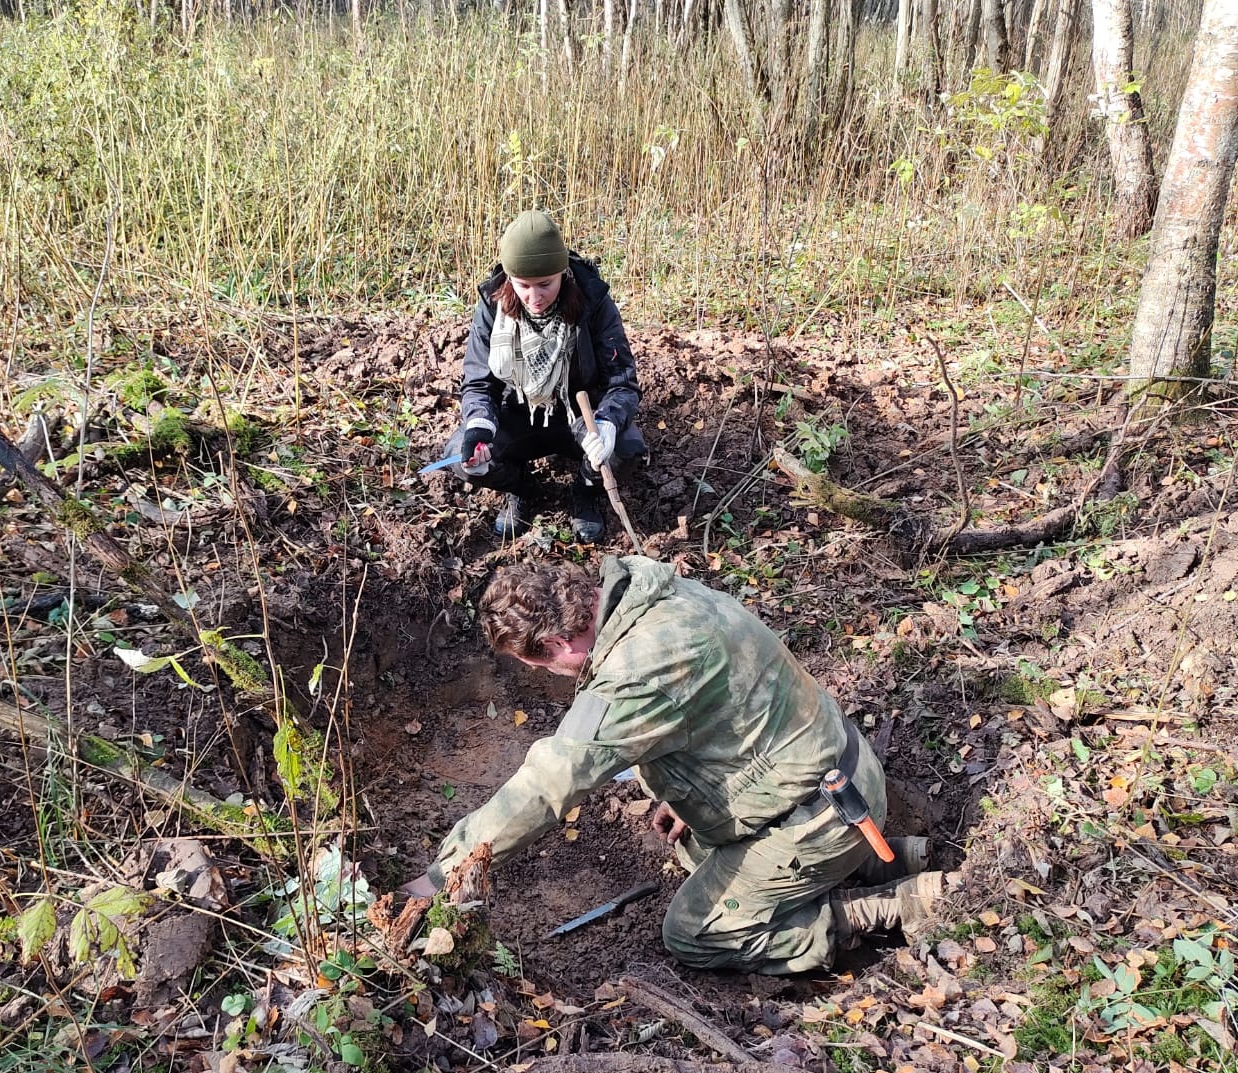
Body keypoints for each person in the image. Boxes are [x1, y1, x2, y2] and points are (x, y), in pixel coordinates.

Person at [401, 557, 949, 975]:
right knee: (692, 847)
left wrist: (438, 875)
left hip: (816, 817)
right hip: (843, 773)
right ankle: (889, 858)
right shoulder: (650, 593)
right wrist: (688, 797)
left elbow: (550, 784)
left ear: (561, 642)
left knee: (693, 933)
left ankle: (874, 907)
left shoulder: (636, 673)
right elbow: (723, 713)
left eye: (538, 664)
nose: (548, 677)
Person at [440, 210, 644, 544]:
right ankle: (522, 488)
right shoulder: (492, 305)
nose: (534, 299)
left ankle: (585, 491)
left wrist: (606, 424)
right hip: (517, 412)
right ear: (509, 279)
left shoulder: (593, 301)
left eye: (545, 284)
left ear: (562, 272)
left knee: (626, 448)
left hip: (580, 412)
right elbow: (478, 382)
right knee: (463, 461)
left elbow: (622, 379)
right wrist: (479, 425)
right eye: (523, 286)